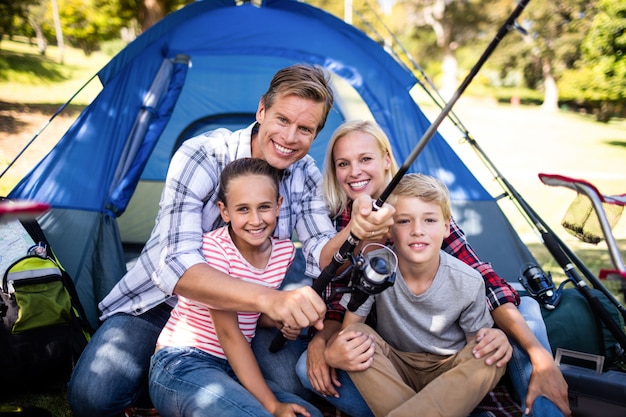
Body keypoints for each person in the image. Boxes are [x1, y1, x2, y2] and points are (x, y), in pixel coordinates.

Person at [67, 65, 395, 417]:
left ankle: (202, 390)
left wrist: (355, 230)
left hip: (245, 317)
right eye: (282, 119)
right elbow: (175, 267)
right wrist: (272, 300)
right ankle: (176, 381)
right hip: (157, 304)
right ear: (261, 110)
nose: (289, 137)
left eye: (305, 129)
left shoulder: (305, 174)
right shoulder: (203, 154)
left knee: (296, 384)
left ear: (315, 134)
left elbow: (321, 253)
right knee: (93, 397)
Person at [295, 120, 570, 417]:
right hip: (390, 349)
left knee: (521, 320)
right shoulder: (340, 222)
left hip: (444, 346)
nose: (354, 171)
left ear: (387, 159)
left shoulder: (418, 204)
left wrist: (539, 355)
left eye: (365, 159)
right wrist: (322, 342)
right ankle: (449, 407)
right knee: (307, 366)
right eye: (343, 163)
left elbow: (484, 279)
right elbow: (338, 303)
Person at [149, 158, 321, 417]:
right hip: (183, 362)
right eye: (243, 209)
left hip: (232, 368)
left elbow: (251, 314)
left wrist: (277, 319)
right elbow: (229, 334)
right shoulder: (215, 251)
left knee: (307, 414)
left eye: (264, 207)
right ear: (224, 211)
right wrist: (272, 405)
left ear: (279, 206)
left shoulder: (284, 252)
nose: (255, 220)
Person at [341, 173, 506, 417]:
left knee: (492, 350)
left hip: (449, 371)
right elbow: (349, 331)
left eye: (429, 220)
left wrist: (494, 339)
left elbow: (475, 347)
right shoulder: (376, 267)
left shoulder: (468, 280)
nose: (417, 230)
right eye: (404, 221)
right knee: (356, 338)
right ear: (389, 228)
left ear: (447, 226)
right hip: (397, 366)